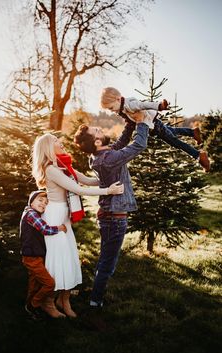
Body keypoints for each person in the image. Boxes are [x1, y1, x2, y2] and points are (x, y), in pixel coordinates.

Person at [74, 111, 153, 329]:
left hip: (111, 217)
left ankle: (95, 296)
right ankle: (94, 304)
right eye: (97, 131)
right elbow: (137, 147)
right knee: (107, 264)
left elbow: (120, 143)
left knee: (106, 261)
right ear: (97, 141)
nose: (101, 129)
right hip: (113, 219)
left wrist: (129, 123)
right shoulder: (107, 159)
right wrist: (144, 124)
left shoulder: (101, 155)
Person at [31, 133, 124, 318]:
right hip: (55, 217)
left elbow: (87, 181)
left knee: (69, 257)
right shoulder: (51, 169)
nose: (61, 143)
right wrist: (108, 190)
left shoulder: (64, 166)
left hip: (64, 217)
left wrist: (108, 176)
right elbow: (78, 189)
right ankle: (48, 302)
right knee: (58, 260)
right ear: (49, 148)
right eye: (57, 142)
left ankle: (64, 301)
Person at [100, 87, 210, 172]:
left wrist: (160, 106)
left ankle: (198, 155)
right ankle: (193, 132)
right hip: (154, 126)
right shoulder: (124, 110)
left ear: (118, 99)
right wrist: (115, 148)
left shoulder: (130, 105)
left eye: (111, 108)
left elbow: (143, 104)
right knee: (171, 131)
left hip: (155, 126)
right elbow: (126, 134)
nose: (111, 111)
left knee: (175, 142)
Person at [20, 190, 67, 320]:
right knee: (49, 284)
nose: (43, 204)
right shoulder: (31, 214)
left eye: (46, 203)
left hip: (35, 255)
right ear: (31, 201)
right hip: (31, 257)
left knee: (34, 283)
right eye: (40, 200)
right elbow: (45, 229)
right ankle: (34, 304)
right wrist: (60, 228)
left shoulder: (33, 213)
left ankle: (29, 307)